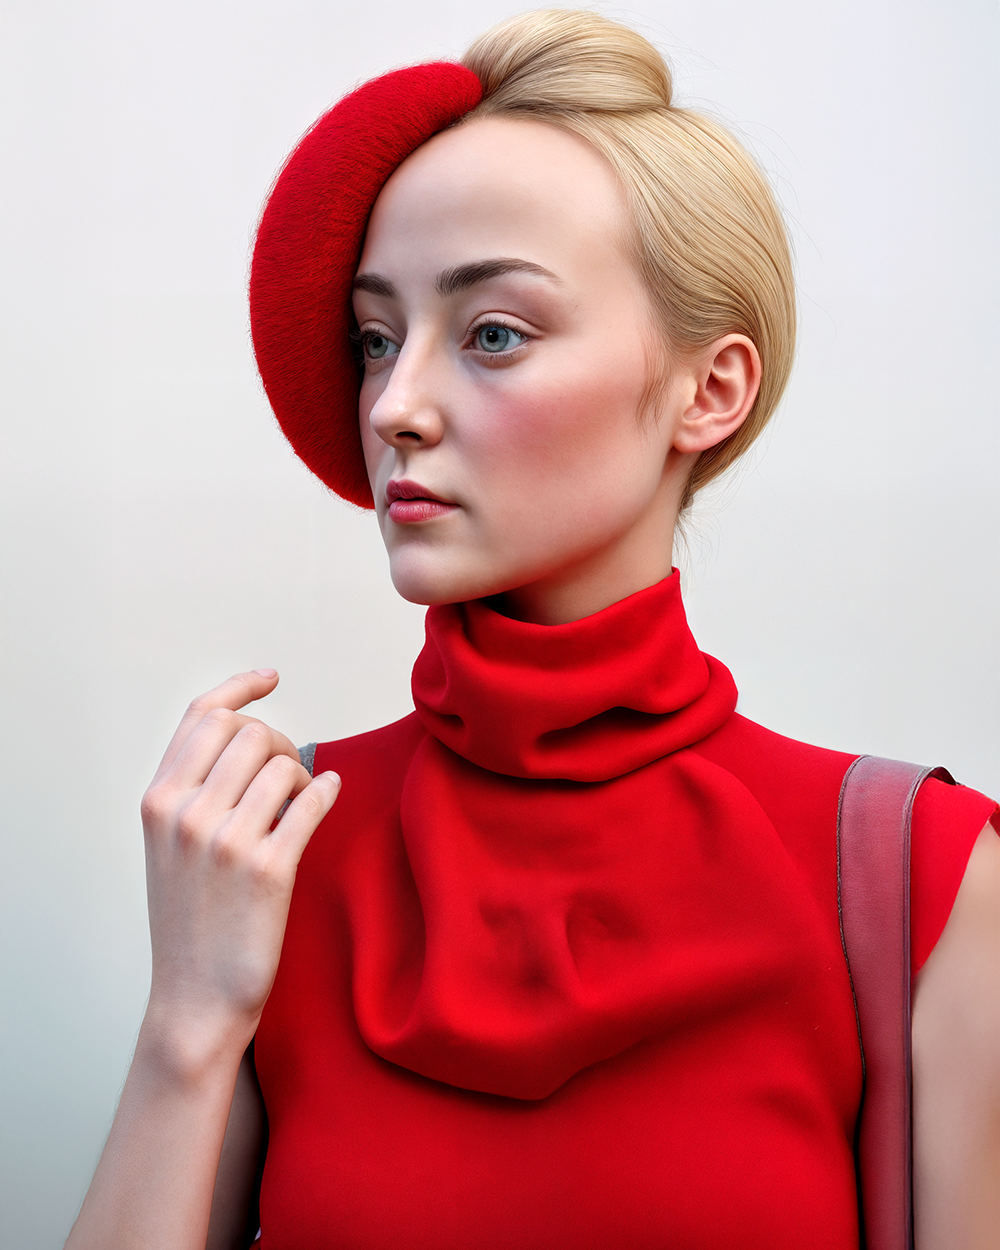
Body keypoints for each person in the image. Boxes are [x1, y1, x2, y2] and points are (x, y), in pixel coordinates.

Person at [65, 10, 999, 1249]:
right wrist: (187, 1020)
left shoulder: (916, 872)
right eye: (375, 339)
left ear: (709, 389)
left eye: (493, 332)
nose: (393, 405)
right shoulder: (272, 851)